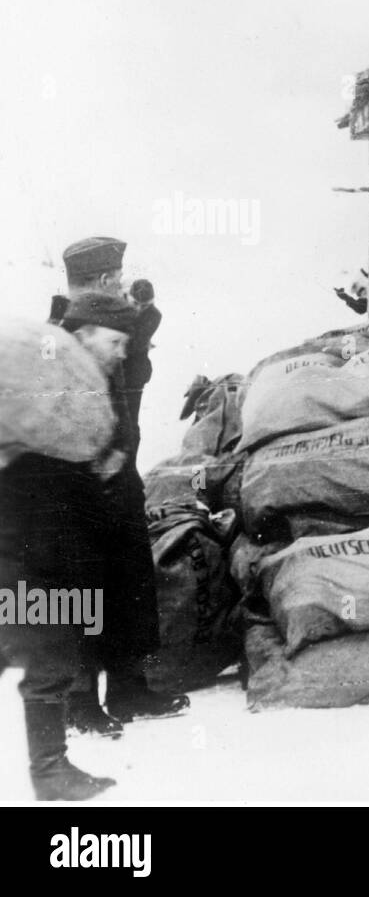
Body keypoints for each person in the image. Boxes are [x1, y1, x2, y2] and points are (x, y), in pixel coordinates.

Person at [0, 300, 139, 799]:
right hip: (31, 547)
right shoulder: (50, 386)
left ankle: (51, 768)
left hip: (39, 545)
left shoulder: (70, 393)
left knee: (41, 651)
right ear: (82, 336)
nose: (121, 353)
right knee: (50, 651)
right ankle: (50, 771)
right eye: (114, 341)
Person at [54, 241, 189, 736]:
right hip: (77, 489)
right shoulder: (63, 342)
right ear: (107, 280)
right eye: (116, 276)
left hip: (120, 479)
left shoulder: (104, 329)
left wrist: (143, 321)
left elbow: (134, 378)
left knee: (129, 581)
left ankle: (129, 687)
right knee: (81, 588)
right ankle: (79, 699)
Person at [122, 278, 161, 429]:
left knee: (130, 423)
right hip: (113, 372)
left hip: (134, 374)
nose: (139, 309)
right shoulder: (117, 305)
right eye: (135, 304)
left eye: (144, 306)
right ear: (127, 298)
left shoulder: (154, 315)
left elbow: (133, 345)